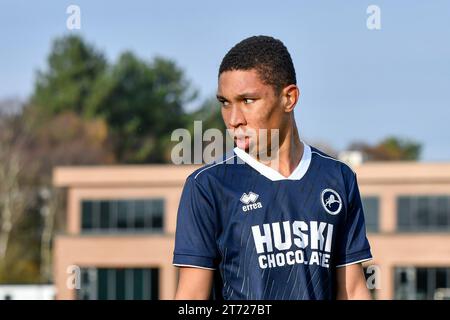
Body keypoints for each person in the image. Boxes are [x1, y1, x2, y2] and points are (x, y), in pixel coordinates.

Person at [173, 35, 372, 300]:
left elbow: (354, 289)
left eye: (247, 101)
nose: (233, 119)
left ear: (289, 98)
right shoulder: (207, 186)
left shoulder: (338, 177)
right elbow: (191, 298)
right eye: (225, 103)